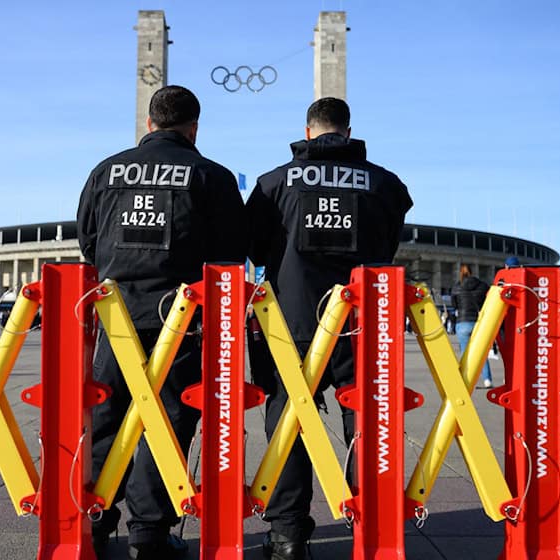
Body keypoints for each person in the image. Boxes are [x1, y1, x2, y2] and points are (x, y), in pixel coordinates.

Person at [77, 85, 247, 560]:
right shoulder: (211, 176)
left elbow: (88, 242)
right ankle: (149, 533)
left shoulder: (106, 171)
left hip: (118, 313)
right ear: (194, 127)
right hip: (179, 317)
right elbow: (232, 253)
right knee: (168, 421)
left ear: (148, 124)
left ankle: (92, 522)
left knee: (106, 418)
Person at [246, 97, 413, 560]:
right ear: (348, 129)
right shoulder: (385, 184)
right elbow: (388, 246)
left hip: (291, 322)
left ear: (307, 129)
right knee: (366, 422)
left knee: (289, 423)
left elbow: (257, 250)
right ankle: (372, 528)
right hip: (364, 320)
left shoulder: (273, 182)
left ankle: (287, 536)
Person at [451, 264, 493, 387]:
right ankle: (487, 380)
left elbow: (454, 305)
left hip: (462, 322)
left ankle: (466, 380)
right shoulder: (482, 285)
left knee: (465, 353)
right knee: (482, 352)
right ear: (472, 271)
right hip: (478, 321)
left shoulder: (456, 287)